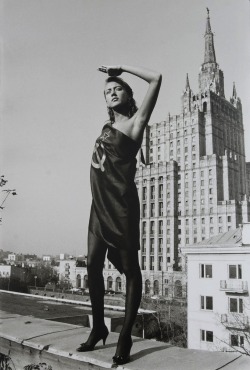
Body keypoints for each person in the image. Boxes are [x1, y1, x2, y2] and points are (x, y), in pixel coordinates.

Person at [77, 65, 162, 365]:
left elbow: (156, 78)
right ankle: (99, 325)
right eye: (106, 91)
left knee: (130, 270)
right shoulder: (106, 125)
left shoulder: (137, 124)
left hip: (121, 207)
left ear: (128, 94)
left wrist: (121, 67)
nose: (111, 93)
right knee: (92, 264)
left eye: (117, 88)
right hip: (98, 206)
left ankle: (125, 334)